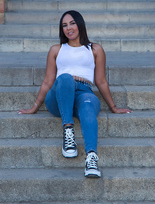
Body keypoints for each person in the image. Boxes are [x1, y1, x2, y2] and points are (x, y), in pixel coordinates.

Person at [18, 10, 132, 178]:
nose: (68, 28)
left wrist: (113, 107)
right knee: (65, 78)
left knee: (87, 104)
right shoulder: (56, 50)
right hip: (59, 96)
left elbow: (100, 81)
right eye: (64, 25)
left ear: (80, 24)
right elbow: (48, 81)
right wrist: (34, 107)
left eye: (72, 23)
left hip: (84, 92)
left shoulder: (95, 49)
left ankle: (92, 158)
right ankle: (68, 130)